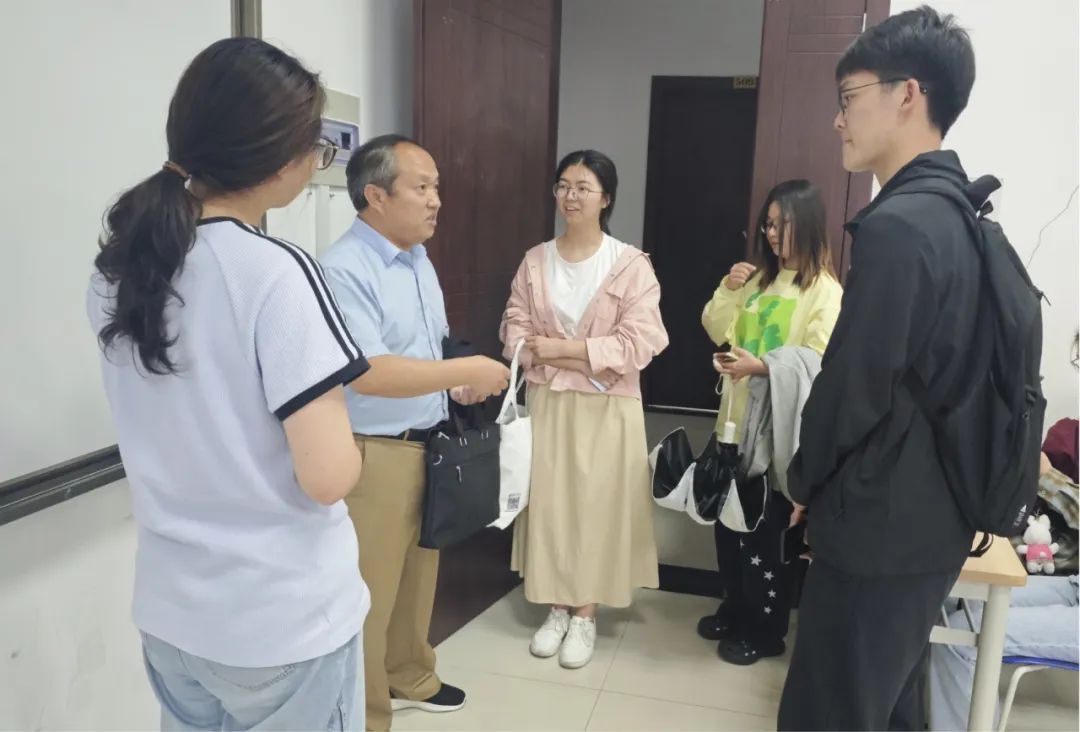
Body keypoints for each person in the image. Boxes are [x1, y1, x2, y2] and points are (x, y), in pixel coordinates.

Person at [88, 38, 371, 729]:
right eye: (315, 146)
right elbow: (328, 476)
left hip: (172, 615)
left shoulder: (117, 272)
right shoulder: (275, 271)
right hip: (281, 622)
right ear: (279, 160)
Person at [778, 7, 984, 730]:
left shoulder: (899, 228)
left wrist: (805, 481)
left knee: (827, 715)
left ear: (908, 96)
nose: (838, 119)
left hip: (877, 528)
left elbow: (852, 389)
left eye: (849, 97)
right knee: (889, 710)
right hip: (932, 521)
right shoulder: (963, 217)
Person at [319, 134, 510, 731]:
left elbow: (425, 351)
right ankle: (368, 714)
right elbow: (369, 371)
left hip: (428, 443)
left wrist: (455, 386)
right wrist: (465, 370)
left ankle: (410, 675)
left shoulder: (418, 260)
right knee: (369, 593)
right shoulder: (344, 268)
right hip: (372, 454)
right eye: (422, 187)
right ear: (376, 195)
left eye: (436, 187)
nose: (436, 201)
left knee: (416, 576)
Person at [499, 149, 668, 670]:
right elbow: (514, 328)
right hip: (549, 400)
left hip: (608, 407)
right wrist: (546, 351)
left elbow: (641, 342)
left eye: (583, 187)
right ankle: (556, 606)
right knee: (551, 501)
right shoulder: (535, 260)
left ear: (606, 198)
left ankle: (586, 612)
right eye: (563, 186)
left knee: (597, 505)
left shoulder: (630, 265)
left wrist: (562, 349)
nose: (570, 196)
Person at [697, 179, 842, 665]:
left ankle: (766, 630)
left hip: (778, 436)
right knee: (729, 529)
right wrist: (728, 289)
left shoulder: (825, 292)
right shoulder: (757, 280)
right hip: (733, 426)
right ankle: (735, 609)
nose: (773, 233)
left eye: (783, 224)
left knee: (767, 537)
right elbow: (717, 328)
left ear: (809, 225)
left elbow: (818, 361)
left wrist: (760, 367)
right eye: (769, 224)